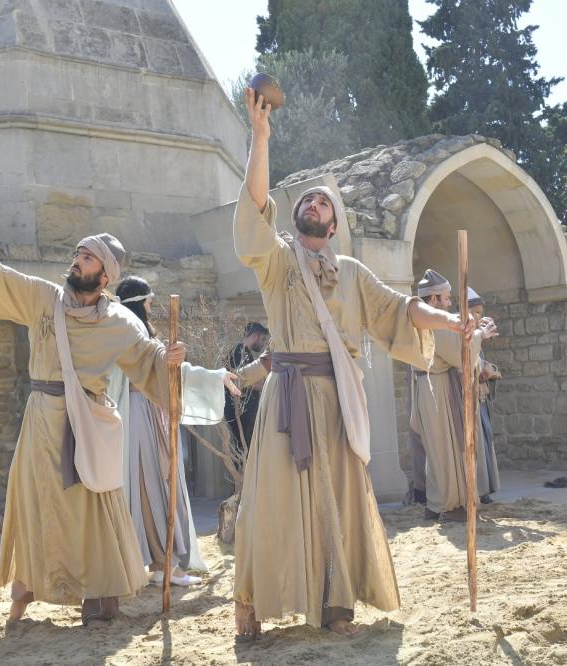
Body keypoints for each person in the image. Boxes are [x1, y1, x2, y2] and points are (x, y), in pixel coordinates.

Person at [232, 87, 470, 639]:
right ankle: (252, 601)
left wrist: (451, 320)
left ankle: (336, 603)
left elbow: (401, 311)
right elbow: (253, 212)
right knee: (270, 501)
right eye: (307, 202)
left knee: (338, 500)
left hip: (337, 401)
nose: (313, 206)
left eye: (323, 203)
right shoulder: (278, 261)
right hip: (288, 397)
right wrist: (260, 138)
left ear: (334, 224)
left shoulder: (355, 274)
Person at [0, 214, 186, 626]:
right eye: (77, 254)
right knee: (35, 503)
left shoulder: (120, 323)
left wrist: (170, 359)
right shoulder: (44, 298)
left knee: (92, 509)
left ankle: (99, 598)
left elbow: (148, 359)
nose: (76, 261)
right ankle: (23, 594)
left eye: (87, 258)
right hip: (42, 423)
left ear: (105, 276)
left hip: (88, 427)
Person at [108, 276, 240, 587]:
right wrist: (215, 377)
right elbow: (170, 370)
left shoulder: (117, 332)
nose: (151, 308)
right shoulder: (133, 335)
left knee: (150, 488)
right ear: (141, 303)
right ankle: (165, 565)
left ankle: (157, 564)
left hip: (138, 415)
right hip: (141, 418)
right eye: (149, 302)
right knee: (154, 487)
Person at [410, 271, 498, 521]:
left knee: (437, 450)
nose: (450, 303)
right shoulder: (433, 321)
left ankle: (436, 503)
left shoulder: (420, 318)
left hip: (430, 389)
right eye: (447, 298)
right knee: (448, 449)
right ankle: (452, 505)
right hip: (439, 392)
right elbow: (460, 356)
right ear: (433, 299)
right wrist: (481, 335)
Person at [468, 288, 501, 503]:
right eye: (476, 313)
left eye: (481, 313)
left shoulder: (476, 335)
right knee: (476, 443)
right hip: (468, 400)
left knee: (486, 438)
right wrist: (485, 372)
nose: (479, 317)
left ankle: (486, 488)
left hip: (480, 398)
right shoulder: (461, 334)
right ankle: (478, 489)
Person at [224, 322, 269, 468]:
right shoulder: (240, 352)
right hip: (240, 413)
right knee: (243, 452)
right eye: (262, 339)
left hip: (243, 413)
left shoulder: (244, 353)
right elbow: (239, 380)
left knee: (245, 451)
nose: (263, 344)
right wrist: (265, 385)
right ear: (254, 336)